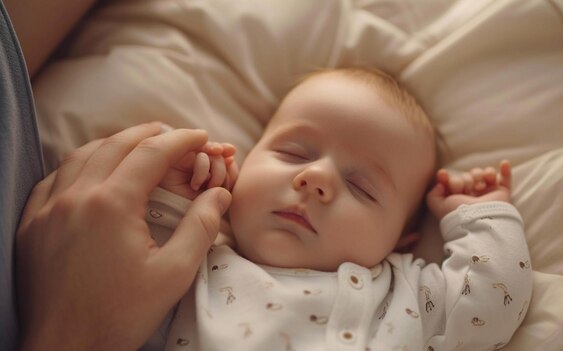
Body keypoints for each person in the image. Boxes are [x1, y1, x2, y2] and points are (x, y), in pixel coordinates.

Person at [148, 68, 533, 350]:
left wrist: (481, 215)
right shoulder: (193, 262)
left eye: (361, 187)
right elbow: (127, 274)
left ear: (400, 238)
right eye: (292, 153)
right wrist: (176, 190)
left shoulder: (406, 295)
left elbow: (490, 309)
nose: (316, 177)